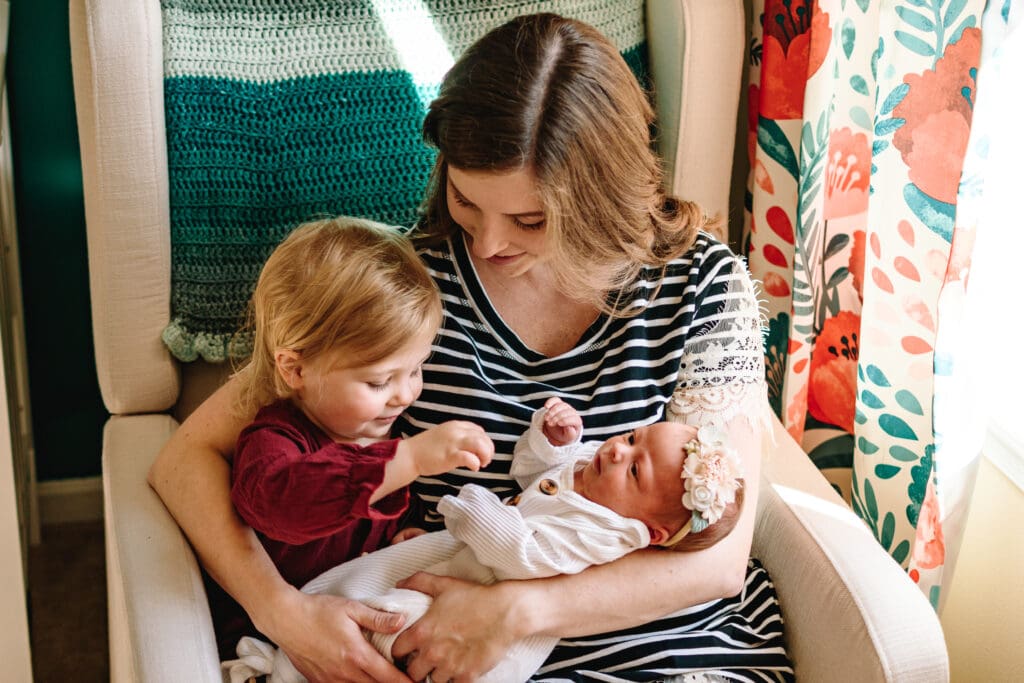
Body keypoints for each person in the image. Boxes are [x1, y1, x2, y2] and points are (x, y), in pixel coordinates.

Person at [150, 12, 791, 683]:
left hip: (663, 647)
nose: (487, 244)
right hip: (444, 654)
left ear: (601, 193)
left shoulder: (704, 285)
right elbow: (186, 457)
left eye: (530, 219)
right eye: (466, 200)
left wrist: (517, 611)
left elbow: (717, 559)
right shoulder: (399, 287)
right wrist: (283, 612)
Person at [225, 396, 745, 682]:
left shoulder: (608, 535)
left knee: (387, 629)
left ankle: (280, 671)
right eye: (632, 439)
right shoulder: (595, 476)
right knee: (358, 596)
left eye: (635, 471)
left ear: (648, 533)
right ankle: (280, 652)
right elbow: (534, 477)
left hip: (486, 601)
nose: (615, 452)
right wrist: (552, 441)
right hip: (458, 568)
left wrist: (468, 505)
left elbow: (524, 555)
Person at [212, 216, 494, 656]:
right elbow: (288, 504)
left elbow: (380, 517)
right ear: (296, 369)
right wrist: (408, 461)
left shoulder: (379, 431)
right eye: (379, 382)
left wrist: (406, 535)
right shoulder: (272, 442)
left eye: (416, 369)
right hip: (274, 647)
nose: (405, 394)